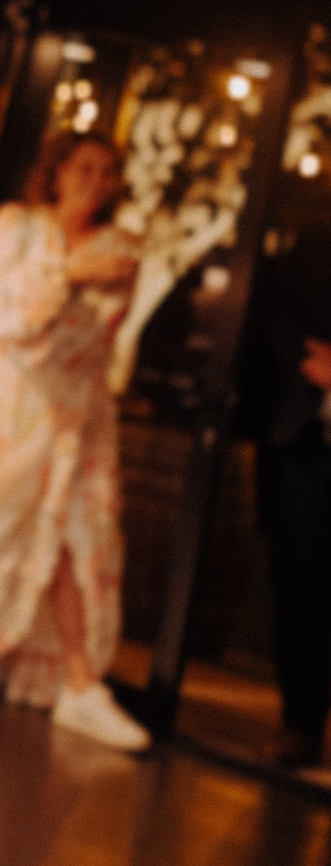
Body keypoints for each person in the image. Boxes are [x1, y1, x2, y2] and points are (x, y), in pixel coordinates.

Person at [0, 133, 151, 753]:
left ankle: (79, 682)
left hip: (70, 408)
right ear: (58, 172)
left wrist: (50, 298)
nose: (96, 181)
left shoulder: (119, 247)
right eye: (85, 168)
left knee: (73, 531)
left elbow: (86, 336)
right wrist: (66, 274)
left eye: (107, 172)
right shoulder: (16, 224)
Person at [239, 229, 331, 770]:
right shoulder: (313, 248)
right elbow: (277, 315)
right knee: (297, 583)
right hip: (306, 441)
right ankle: (300, 723)